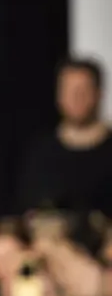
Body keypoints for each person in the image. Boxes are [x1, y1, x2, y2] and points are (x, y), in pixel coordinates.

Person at [19, 57, 112, 217]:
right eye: (69, 90)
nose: (76, 98)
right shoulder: (41, 152)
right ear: (59, 95)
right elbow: (27, 210)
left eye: (83, 90)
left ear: (98, 93)